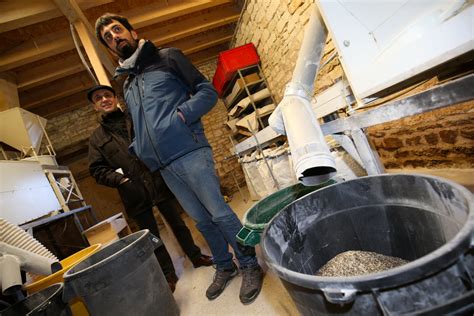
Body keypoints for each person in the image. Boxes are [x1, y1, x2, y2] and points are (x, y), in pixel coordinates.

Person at [95, 13, 264, 304]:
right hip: (164, 166)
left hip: (190, 150)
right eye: (108, 38)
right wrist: (139, 147)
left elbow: (206, 91)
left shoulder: (168, 58)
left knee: (219, 213)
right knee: (201, 220)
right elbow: (136, 124)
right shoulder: (128, 85)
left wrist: (182, 115)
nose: (115, 38)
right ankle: (225, 265)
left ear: (133, 32)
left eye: (117, 30)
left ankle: (250, 264)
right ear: (109, 48)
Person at [87, 84, 213, 293]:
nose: (104, 100)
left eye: (107, 95)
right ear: (94, 106)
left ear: (116, 98)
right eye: (98, 98)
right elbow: (97, 169)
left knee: (178, 223)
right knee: (150, 235)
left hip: (157, 179)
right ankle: (167, 273)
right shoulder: (96, 139)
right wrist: (120, 181)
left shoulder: (136, 118)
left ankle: (195, 255)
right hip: (133, 190)